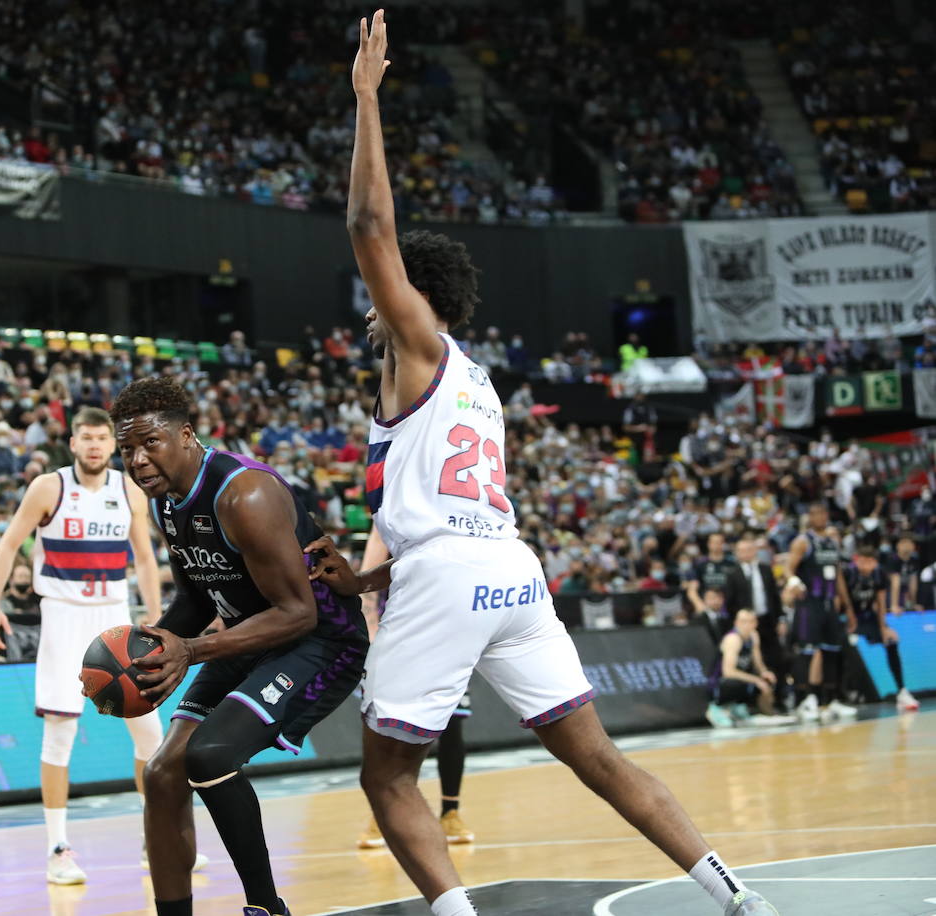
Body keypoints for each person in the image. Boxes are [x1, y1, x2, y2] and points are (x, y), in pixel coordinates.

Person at [316, 15, 778, 916]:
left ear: (411, 298)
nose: (370, 308)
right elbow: (449, 517)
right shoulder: (477, 383)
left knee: (385, 776)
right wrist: (366, 572)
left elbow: (371, 224)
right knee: (598, 757)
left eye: (384, 295)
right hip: (509, 575)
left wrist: (367, 100)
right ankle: (735, 896)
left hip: (453, 579)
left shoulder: (419, 345)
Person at [103, 378, 369, 916]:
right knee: (161, 774)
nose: (136, 460)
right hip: (249, 634)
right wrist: (146, 651)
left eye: (149, 443)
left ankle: (267, 908)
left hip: (321, 640)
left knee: (211, 754)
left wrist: (191, 653)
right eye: (126, 449)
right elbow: (198, 599)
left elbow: (299, 612)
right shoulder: (167, 502)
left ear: (185, 434)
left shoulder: (243, 494)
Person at [0, 406, 170, 886]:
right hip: (64, 616)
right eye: (85, 437)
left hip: (113, 617)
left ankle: (157, 837)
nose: (93, 446)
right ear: (72, 442)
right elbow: (7, 547)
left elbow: (145, 558)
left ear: (112, 444)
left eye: (101, 439)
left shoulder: (128, 490)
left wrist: (154, 615)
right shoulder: (49, 487)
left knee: (151, 735)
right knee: (60, 735)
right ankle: (57, 849)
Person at [355, 526, 472, 850]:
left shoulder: (455, 513)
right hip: (402, 622)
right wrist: (368, 614)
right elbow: (377, 544)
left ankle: (451, 811)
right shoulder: (395, 503)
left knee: (453, 721)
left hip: (450, 622)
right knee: (388, 722)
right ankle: (384, 813)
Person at [784, 502, 857, 723]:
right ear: (809, 517)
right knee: (808, 651)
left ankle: (831, 699)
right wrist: (794, 582)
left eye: (824, 513)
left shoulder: (833, 542)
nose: (821, 517)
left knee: (832, 651)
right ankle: (807, 699)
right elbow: (788, 567)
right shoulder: (803, 542)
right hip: (810, 604)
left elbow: (839, 576)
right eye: (816, 513)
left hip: (829, 604)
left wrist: (849, 607)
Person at [845, 547, 919, 712]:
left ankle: (901, 691)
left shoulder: (879, 574)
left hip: (867, 618)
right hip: (849, 619)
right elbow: (842, 599)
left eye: (868, 561)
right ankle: (845, 694)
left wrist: (883, 627)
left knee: (891, 640)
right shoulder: (848, 574)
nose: (864, 564)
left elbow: (880, 603)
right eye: (861, 560)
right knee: (847, 646)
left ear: (874, 563)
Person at [705, 610, 781, 727]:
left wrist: (765, 673)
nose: (747, 625)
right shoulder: (733, 639)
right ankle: (715, 709)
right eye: (743, 621)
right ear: (736, 623)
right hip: (719, 684)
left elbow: (758, 663)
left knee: (767, 680)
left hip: (740, 678)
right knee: (741, 683)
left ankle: (742, 708)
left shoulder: (753, 636)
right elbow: (728, 672)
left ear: (755, 623)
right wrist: (756, 680)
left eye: (751, 621)